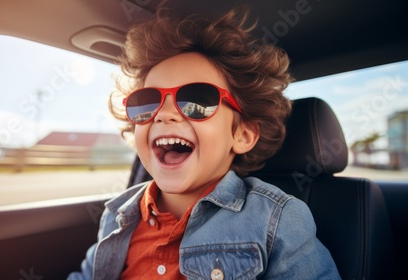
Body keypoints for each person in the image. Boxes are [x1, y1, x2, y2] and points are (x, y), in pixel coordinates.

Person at [67, 7, 341, 280]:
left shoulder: (275, 220)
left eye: (196, 100)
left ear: (243, 135)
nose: (164, 113)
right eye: (147, 102)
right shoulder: (119, 215)